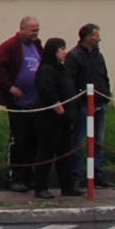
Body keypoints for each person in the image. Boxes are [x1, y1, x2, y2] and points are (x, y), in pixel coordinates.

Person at [0, 13, 45, 194]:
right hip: (18, 104)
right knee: (20, 141)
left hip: (36, 104)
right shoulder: (10, 46)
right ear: (22, 29)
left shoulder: (37, 45)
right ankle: (17, 177)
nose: (35, 33)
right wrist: (10, 87)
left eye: (37, 30)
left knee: (35, 141)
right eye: (32, 30)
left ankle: (30, 176)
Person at [67, 22, 115, 190]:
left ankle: (98, 175)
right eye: (97, 35)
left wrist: (106, 94)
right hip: (83, 106)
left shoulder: (98, 55)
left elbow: (104, 75)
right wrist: (78, 103)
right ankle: (76, 176)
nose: (99, 38)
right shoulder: (74, 56)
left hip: (100, 103)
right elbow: (70, 82)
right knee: (78, 142)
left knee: (98, 142)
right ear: (89, 38)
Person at [30, 38, 77, 200]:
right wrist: (61, 111)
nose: (64, 52)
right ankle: (40, 187)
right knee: (47, 151)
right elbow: (48, 93)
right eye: (61, 50)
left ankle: (67, 186)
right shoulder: (46, 70)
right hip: (49, 119)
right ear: (53, 52)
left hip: (64, 119)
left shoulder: (61, 69)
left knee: (65, 152)